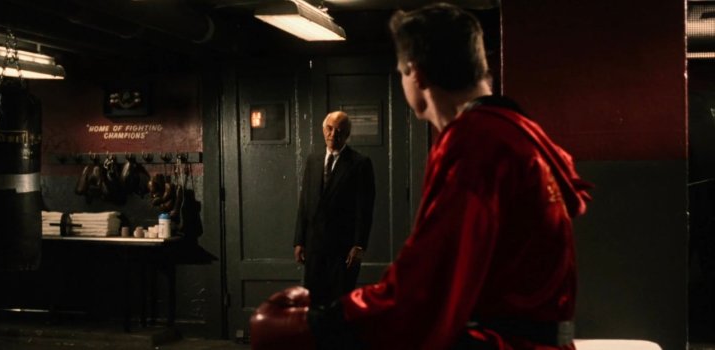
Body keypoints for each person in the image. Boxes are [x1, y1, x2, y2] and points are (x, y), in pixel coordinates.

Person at [251, 2, 593, 350]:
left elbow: (422, 288)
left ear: (416, 74)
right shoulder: (520, 133)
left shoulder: (474, 143)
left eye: (400, 71)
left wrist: (317, 326)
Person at [293, 110, 376, 308]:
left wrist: (359, 245)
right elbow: (305, 202)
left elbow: (364, 208)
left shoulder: (360, 163)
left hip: (343, 249)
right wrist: (299, 240)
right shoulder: (313, 160)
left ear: (347, 134)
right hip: (314, 247)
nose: (333, 134)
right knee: (314, 302)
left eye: (339, 131)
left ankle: (338, 339)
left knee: (339, 304)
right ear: (323, 130)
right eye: (329, 129)